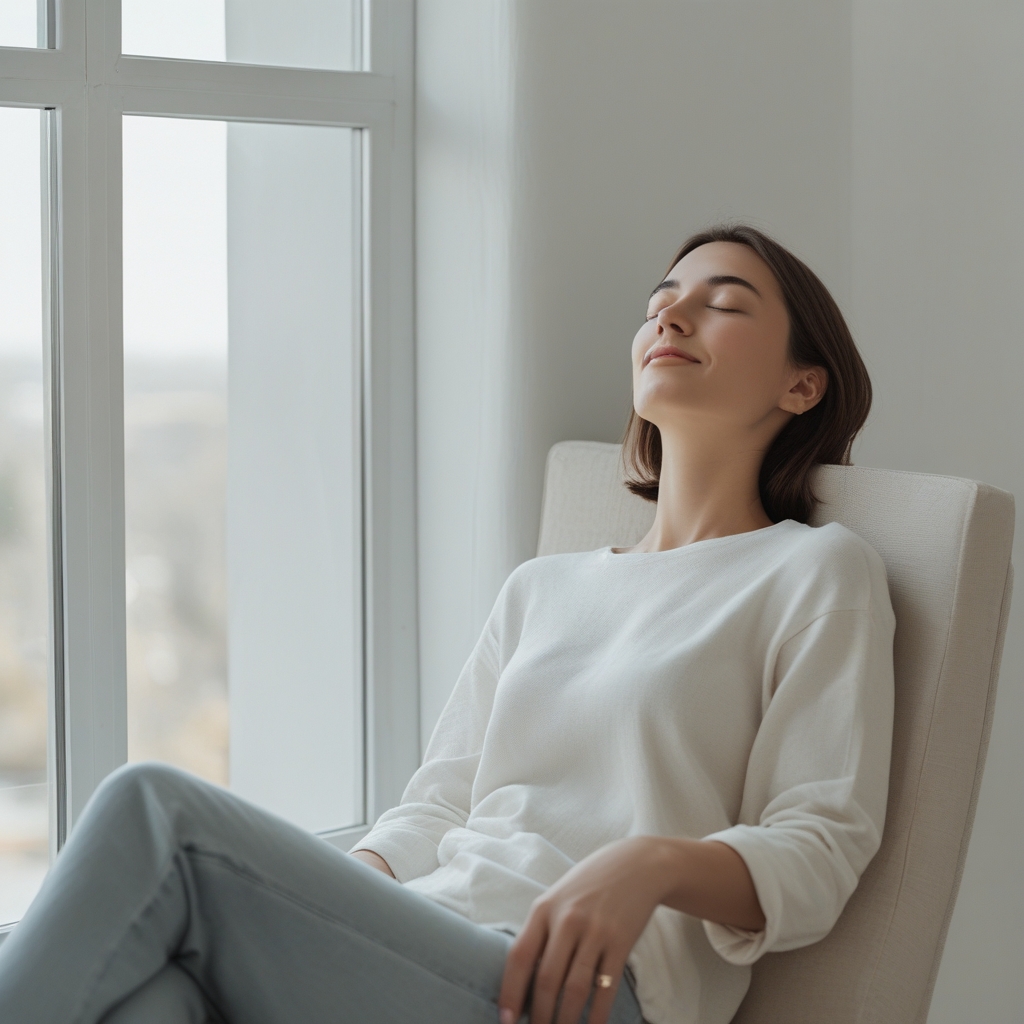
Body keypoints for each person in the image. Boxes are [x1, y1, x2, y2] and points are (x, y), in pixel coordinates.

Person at [0, 225, 895, 1024]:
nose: (673, 318)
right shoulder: (543, 589)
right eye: (659, 304)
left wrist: (649, 864)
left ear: (802, 384)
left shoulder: (815, 569)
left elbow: (820, 844)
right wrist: (320, 899)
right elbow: (436, 806)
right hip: (435, 931)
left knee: (151, 805)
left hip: (576, 988)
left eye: (722, 303)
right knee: (162, 993)